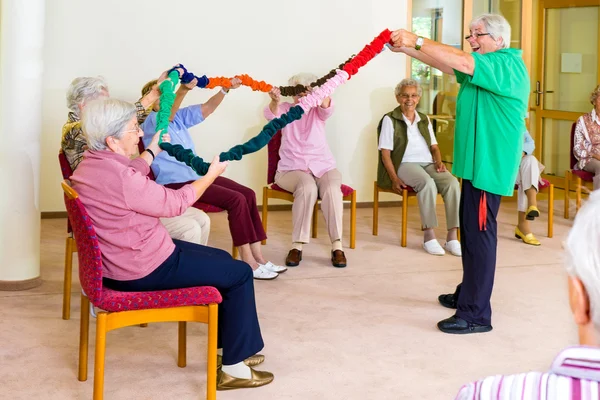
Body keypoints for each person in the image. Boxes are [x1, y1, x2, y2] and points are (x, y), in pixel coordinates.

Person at [70, 97, 274, 390]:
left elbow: (133, 172)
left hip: (127, 261)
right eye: (133, 130)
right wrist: (210, 175)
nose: (140, 134)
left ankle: (231, 349)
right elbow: (177, 203)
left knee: (220, 259)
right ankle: (232, 369)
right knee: (239, 273)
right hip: (143, 269)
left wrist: (153, 148)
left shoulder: (91, 165)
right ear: (112, 141)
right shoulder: (122, 178)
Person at [390, 13, 530, 334]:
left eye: (477, 34)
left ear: (499, 39)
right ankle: (468, 293)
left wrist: (417, 39)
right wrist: (407, 51)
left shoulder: (505, 64)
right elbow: (449, 66)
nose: (471, 40)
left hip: (488, 171)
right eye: (470, 35)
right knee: (470, 232)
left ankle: (476, 314)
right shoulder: (487, 68)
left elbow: (464, 62)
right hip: (475, 169)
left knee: (479, 237)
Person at [454, 191, 600, 399]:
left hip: (486, 176)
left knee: (480, 231)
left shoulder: (485, 393)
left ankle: (474, 310)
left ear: (579, 299)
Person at [140, 77, 286, 280]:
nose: (167, 100)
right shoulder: (152, 121)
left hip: (195, 177)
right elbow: (170, 111)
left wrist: (224, 90)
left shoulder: (179, 118)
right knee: (235, 200)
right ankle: (248, 262)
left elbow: (207, 108)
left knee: (248, 194)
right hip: (174, 183)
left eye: (168, 96)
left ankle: (259, 257)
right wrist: (183, 90)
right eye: (162, 97)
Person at [61, 75, 211, 246]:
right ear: (84, 106)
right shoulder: (74, 130)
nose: (111, 110)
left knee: (201, 218)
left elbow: (132, 119)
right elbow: (119, 121)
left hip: (120, 195)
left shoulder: (99, 129)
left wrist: (157, 93)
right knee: (189, 227)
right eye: (105, 105)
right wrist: (152, 96)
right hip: (112, 211)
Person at [264, 73, 347, 268]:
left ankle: (337, 246)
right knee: (307, 187)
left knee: (332, 190)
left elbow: (327, 108)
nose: (302, 92)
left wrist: (319, 92)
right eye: (298, 89)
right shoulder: (285, 109)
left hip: (323, 165)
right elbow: (270, 117)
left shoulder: (318, 110)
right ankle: (297, 246)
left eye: (306, 88)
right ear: (292, 92)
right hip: (291, 169)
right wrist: (275, 101)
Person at [377, 78, 461, 256]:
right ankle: (429, 236)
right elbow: (385, 154)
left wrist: (439, 162)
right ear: (398, 97)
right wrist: (394, 178)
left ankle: (452, 237)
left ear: (418, 98)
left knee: (452, 183)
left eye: (414, 95)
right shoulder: (389, 119)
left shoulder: (424, 119)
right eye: (405, 95)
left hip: (428, 163)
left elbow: (434, 147)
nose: (410, 99)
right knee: (427, 183)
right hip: (404, 164)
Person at [515, 130, 544, 246]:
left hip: (517, 169)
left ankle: (532, 205)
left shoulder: (518, 121)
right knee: (527, 174)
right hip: (500, 168)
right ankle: (523, 226)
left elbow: (530, 142)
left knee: (530, 161)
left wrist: (521, 152)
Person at [573, 84, 600, 190]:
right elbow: (577, 148)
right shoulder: (583, 120)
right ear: (594, 100)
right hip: (589, 159)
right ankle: (597, 204)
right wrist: (594, 155)